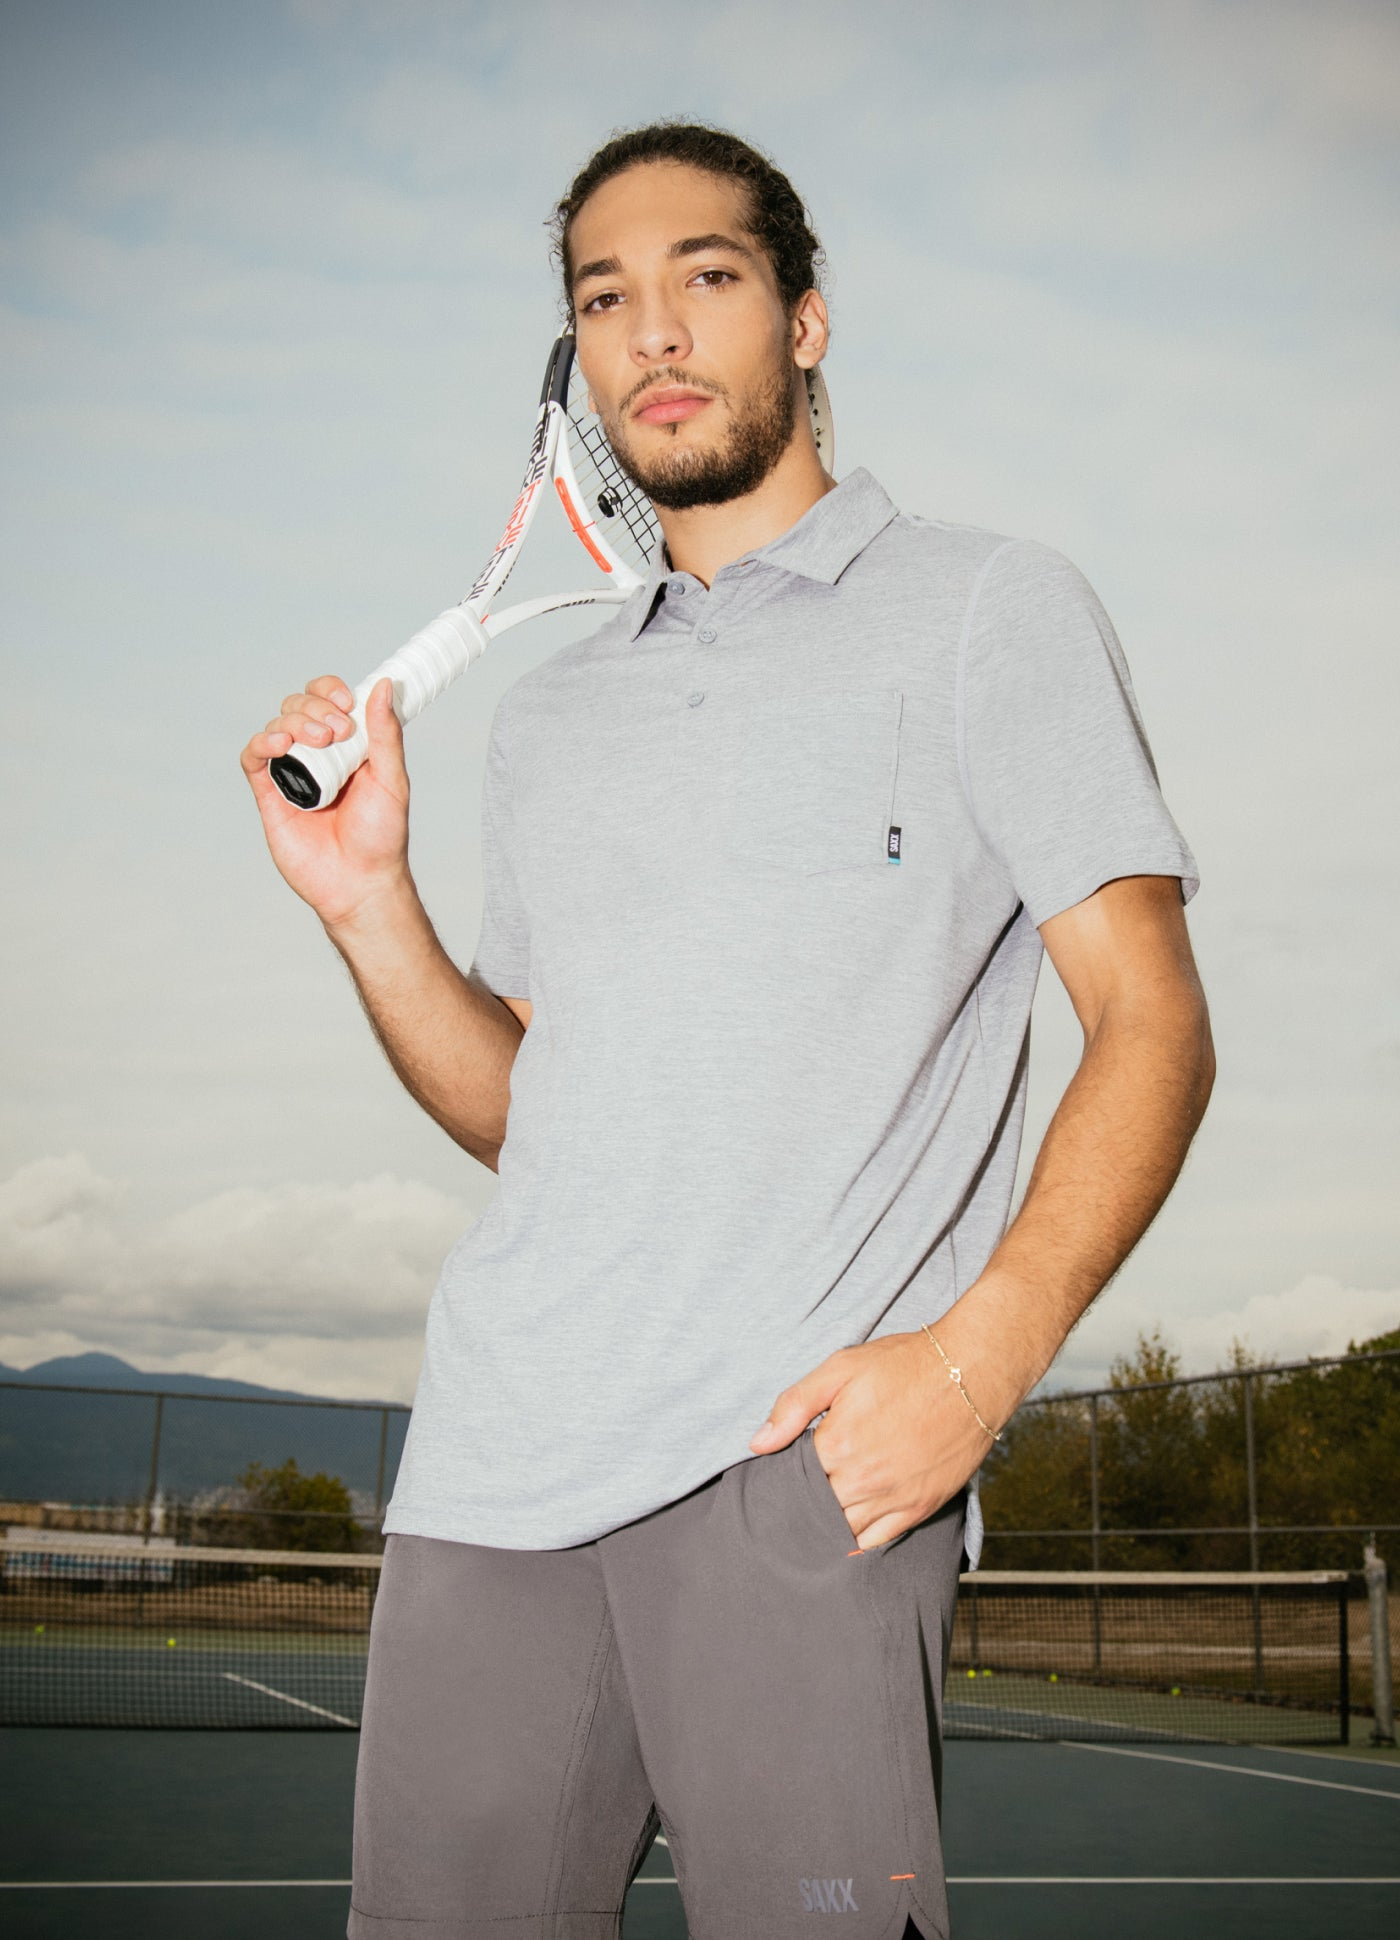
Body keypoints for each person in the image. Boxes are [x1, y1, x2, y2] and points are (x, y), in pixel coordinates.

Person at [240, 123, 1214, 1940]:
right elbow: (536, 1108)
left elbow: (1152, 1022)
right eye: (605, 299)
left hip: (794, 1479)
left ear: (808, 320)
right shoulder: (548, 721)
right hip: (494, 1470)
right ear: (578, 360)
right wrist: (370, 906)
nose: (656, 331)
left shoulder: (995, 612)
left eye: (708, 276)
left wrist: (974, 1367)